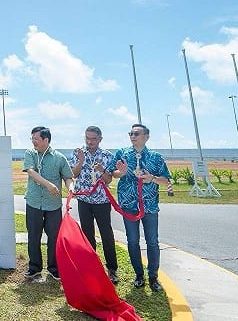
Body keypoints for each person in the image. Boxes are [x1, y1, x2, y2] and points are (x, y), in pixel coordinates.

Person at [112, 123, 171, 292]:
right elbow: (112, 173)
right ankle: (138, 275)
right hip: (128, 204)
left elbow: (166, 179)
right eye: (130, 133)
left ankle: (153, 277)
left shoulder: (156, 157)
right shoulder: (122, 153)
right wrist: (121, 172)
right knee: (132, 241)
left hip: (149, 205)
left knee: (152, 241)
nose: (132, 136)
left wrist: (152, 178)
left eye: (136, 133)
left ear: (146, 136)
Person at [22, 126, 73, 281]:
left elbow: (68, 177)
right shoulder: (30, 153)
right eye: (32, 138)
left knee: (54, 237)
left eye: (36, 138)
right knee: (33, 236)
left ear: (46, 139)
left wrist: (71, 188)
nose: (33, 141)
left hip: (53, 205)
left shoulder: (59, 158)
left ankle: (53, 268)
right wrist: (49, 185)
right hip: (34, 202)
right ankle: (34, 267)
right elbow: (31, 172)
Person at [70, 125, 119, 283]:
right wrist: (80, 161)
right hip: (84, 200)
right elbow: (73, 174)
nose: (89, 142)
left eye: (93, 139)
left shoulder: (107, 155)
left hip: (102, 201)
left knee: (106, 234)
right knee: (87, 233)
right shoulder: (78, 153)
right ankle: (91, 266)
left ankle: (112, 269)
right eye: (87, 138)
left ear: (100, 139)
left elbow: (109, 180)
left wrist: (101, 170)